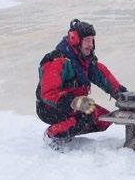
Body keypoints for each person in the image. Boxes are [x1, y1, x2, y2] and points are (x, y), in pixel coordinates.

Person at [36, 19, 127, 150]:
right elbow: (48, 94)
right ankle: (52, 135)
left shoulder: (85, 60)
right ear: (75, 39)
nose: (90, 45)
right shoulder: (58, 61)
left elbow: (103, 77)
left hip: (73, 103)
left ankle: (68, 128)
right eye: (87, 40)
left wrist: (122, 94)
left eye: (92, 40)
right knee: (86, 116)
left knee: (100, 119)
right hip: (49, 108)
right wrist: (74, 102)